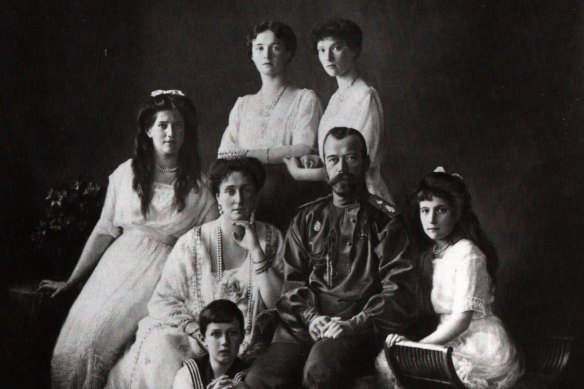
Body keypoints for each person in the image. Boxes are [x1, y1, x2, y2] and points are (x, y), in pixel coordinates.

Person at [38, 90, 218, 388]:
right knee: (74, 348)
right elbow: (104, 229)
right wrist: (71, 281)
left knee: (114, 353)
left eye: (178, 125)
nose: (171, 133)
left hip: (163, 275)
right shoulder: (127, 174)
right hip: (116, 268)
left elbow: (211, 241)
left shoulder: (198, 186)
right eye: (163, 125)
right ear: (149, 130)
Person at [244, 127, 418, 389]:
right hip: (304, 327)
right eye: (334, 159)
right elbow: (292, 284)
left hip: (357, 329)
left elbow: (399, 291)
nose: (342, 168)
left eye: (351, 158)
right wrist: (312, 317)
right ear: (325, 164)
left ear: (365, 162)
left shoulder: (386, 222)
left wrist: (352, 324)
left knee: (319, 372)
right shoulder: (306, 218)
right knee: (259, 379)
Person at [106, 157, 284, 388]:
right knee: (161, 348)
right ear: (218, 197)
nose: (238, 199)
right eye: (230, 191)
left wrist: (255, 250)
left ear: (255, 195)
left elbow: (278, 302)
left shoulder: (271, 238)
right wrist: (198, 333)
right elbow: (164, 300)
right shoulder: (193, 242)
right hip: (196, 338)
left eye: (246, 190)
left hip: (248, 344)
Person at [385, 168, 524, 388]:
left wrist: (416, 347)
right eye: (425, 210)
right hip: (445, 338)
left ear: (456, 212)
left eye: (441, 210)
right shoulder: (432, 255)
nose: (431, 219)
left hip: (477, 343)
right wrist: (405, 342)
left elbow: (461, 320)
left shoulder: (468, 254)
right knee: (388, 363)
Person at [218, 20, 324, 231]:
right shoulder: (243, 104)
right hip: (247, 200)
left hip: (291, 198)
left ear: (288, 53)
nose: (266, 55)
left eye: (275, 47)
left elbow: (304, 148)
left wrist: (248, 154)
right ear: (252, 55)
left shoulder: (304, 99)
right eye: (259, 48)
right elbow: (224, 153)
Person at [284, 18, 394, 203]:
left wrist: (300, 173)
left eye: (336, 48)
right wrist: (318, 160)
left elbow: (354, 167)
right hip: (337, 195)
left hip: (363, 196)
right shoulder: (336, 98)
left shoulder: (364, 96)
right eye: (321, 50)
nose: (327, 58)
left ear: (354, 50)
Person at [172, 300, 249, 389]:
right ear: (203, 338)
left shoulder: (251, 377)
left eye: (232, 333)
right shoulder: (189, 374)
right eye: (216, 334)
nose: (224, 341)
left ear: (242, 337)